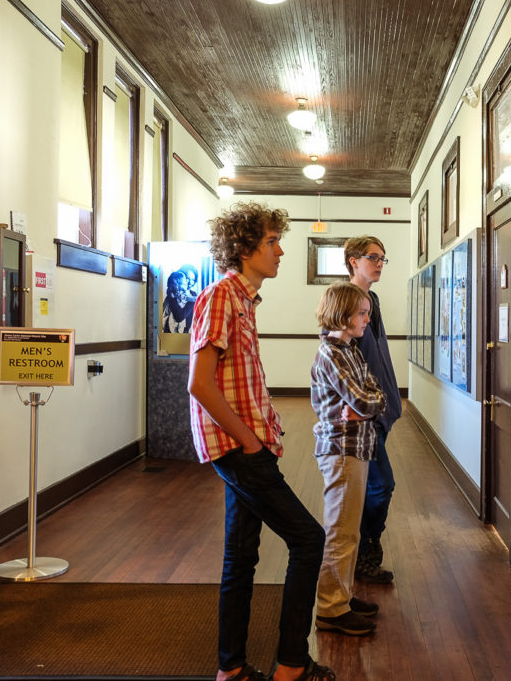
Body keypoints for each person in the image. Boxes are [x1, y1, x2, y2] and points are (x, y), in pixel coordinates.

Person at [187, 202, 334, 681]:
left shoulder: (243, 300)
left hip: (246, 444)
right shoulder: (221, 296)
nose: (280, 251)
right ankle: (292, 665)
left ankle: (230, 669)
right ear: (244, 246)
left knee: (241, 556)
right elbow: (200, 383)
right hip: (237, 448)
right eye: (272, 242)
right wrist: (250, 441)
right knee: (309, 539)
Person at [310, 282, 386, 636]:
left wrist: (364, 406)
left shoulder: (350, 349)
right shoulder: (333, 353)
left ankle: (342, 595)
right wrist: (364, 406)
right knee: (341, 532)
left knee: (350, 531)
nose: (367, 319)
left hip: (355, 446)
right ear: (342, 313)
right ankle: (330, 609)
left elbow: (374, 394)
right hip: (342, 451)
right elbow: (364, 401)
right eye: (362, 312)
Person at [343, 236, 401, 584]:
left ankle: (362, 552)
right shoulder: (345, 301)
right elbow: (340, 357)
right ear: (353, 261)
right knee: (381, 485)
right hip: (363, 413)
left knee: (372, 484)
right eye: (372, 257)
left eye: (382, 258)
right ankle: (364, 550)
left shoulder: (372, 300)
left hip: (381, 409)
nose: (379, 263)